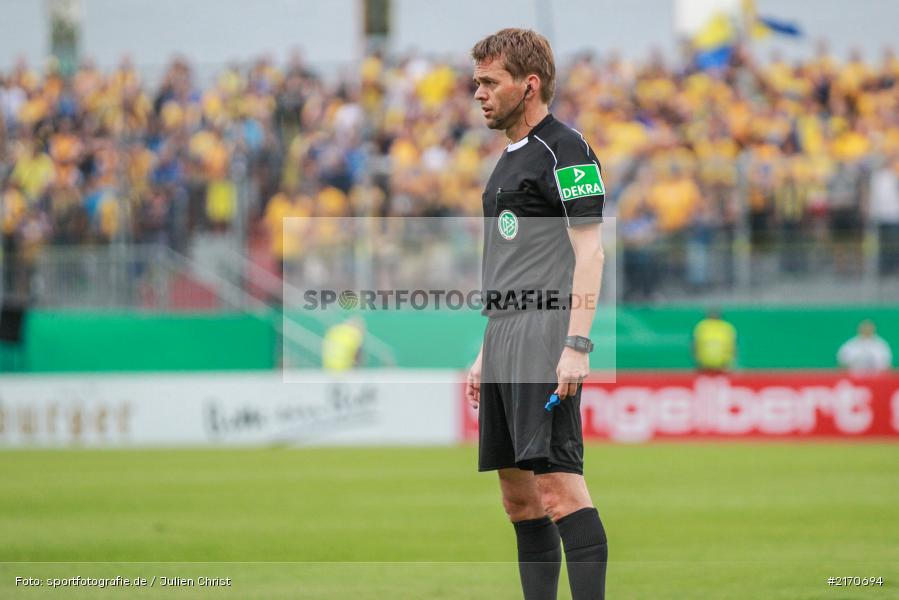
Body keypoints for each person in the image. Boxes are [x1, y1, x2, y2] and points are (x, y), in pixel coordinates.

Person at [465, 29, 608, 600]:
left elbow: (590, 250)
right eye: (476, 82)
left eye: (489, 82)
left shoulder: (566, 148)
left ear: (529, 85)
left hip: (546, 331)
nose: (478, 93)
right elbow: (509, 260)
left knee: (558, 489)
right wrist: (485, 347)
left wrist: (577, 343)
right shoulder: (508, 157)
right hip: (505, 334)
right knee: (518, 497)